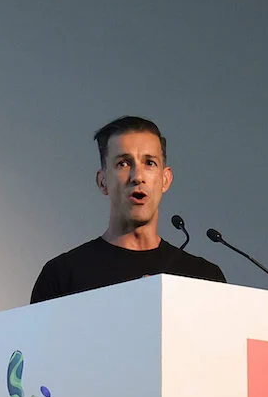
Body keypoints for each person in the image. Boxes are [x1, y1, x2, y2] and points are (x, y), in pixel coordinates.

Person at [30, 116, 226, 303]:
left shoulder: (205, 278)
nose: (137, 176)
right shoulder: (62, 276)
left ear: (165, 179)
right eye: (123, 163)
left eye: (150, 163)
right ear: (102, 181)